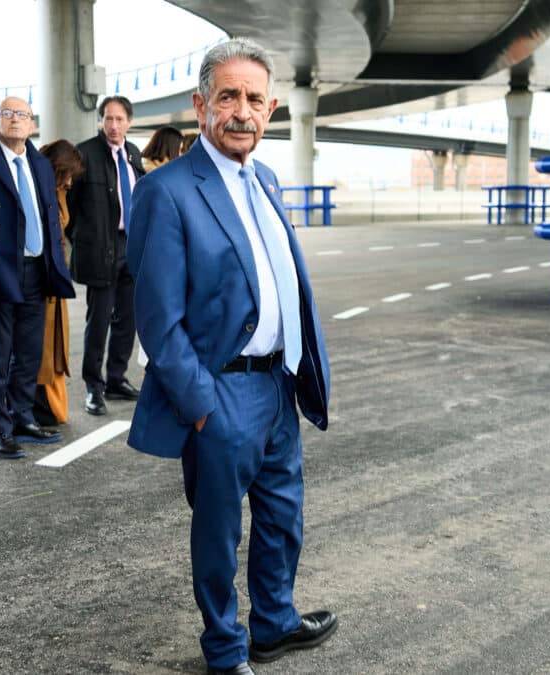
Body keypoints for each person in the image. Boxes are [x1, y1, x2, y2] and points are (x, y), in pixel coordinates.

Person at [127, 38, 335, 675]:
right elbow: (159, 320)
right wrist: (199, 405)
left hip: (277, 385)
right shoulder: (166, 192)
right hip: (221, 394)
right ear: (200, 105)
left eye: (254, 99)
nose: (242, 111)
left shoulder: (266, 178)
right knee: (220, 531)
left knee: (282, 512)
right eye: (228, 97)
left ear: (270, 109)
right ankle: (225, 648)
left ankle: (272, 622)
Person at [0, 97, 75, 458]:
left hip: (38, 268)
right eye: (8, 114)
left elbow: (49, 217)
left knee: (29, 350)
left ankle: (22, 417)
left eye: (22, 115)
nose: (16, 120)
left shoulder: (39, 163)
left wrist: (56, 264)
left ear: (33, 124)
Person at [67, 95, 145, 416]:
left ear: (129, 122)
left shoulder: (133, 153)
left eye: (119, 119)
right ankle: (93, 386)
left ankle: (116, 378)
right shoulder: (84, 154)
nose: (113, 125)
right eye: (108, 119)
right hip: (102, 248)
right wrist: (83, 239)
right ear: (101, 121)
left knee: (128, 318)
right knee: (98, 321)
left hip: (132, 245)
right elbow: (67, 207)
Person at [33, 139, 85, 426]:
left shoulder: (59, 191)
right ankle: (39, 406)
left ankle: (46, 406)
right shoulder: (42, 193)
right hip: (43, 278)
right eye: (67, 174)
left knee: (53, 342)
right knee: (43, 343)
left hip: (55, 278)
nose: (71, 181)